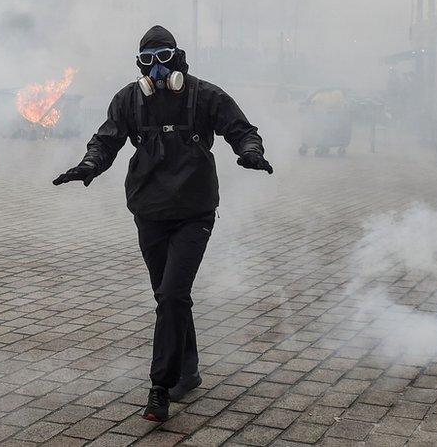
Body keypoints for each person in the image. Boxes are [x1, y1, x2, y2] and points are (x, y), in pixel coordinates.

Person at [53, 25, 273, 422]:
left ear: (179, 58)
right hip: (149, 212)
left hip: (195, 212)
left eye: (165, 57)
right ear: (140, 64)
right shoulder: (129, 100)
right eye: (149, 60)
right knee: (168, 296)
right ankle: (187, 371)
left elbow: (242, 129)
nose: (157, 69)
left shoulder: (205, 95)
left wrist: (250, 151)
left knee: (172, 295)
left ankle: (159, 387)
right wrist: (89, 166)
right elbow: (106, 141)